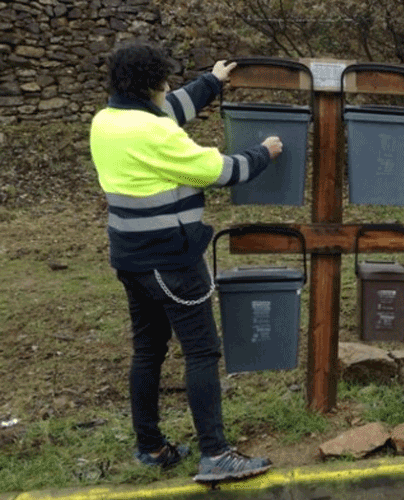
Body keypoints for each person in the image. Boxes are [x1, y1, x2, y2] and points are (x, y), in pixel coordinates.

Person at [89, 40, 281, 483]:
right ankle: (215, 454)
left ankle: (150, 446)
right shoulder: (155, 134)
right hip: (171, 260)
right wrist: (264, 153)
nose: (169, 87)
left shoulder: (108, 120)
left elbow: (169, 108)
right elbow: (217, 171)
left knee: (148, 351)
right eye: (165, 80)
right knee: (201, 351)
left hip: (130, 258)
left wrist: (211, 82)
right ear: (154, 82)